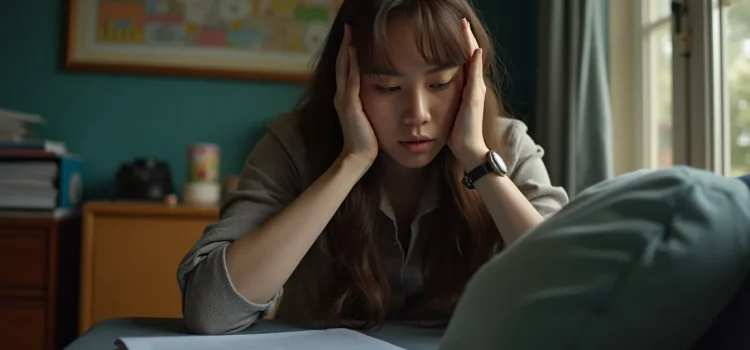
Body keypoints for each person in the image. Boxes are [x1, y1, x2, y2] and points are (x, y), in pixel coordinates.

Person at [177, 0, 569, 335]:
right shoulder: (293, 145)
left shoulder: (507, 147)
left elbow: (576, 290)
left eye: (440, 84)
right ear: (346, 80)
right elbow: (212, 312)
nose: (417, 114)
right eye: (387, 87)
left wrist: (476, 160)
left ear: (471, 83)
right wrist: (350, 162)